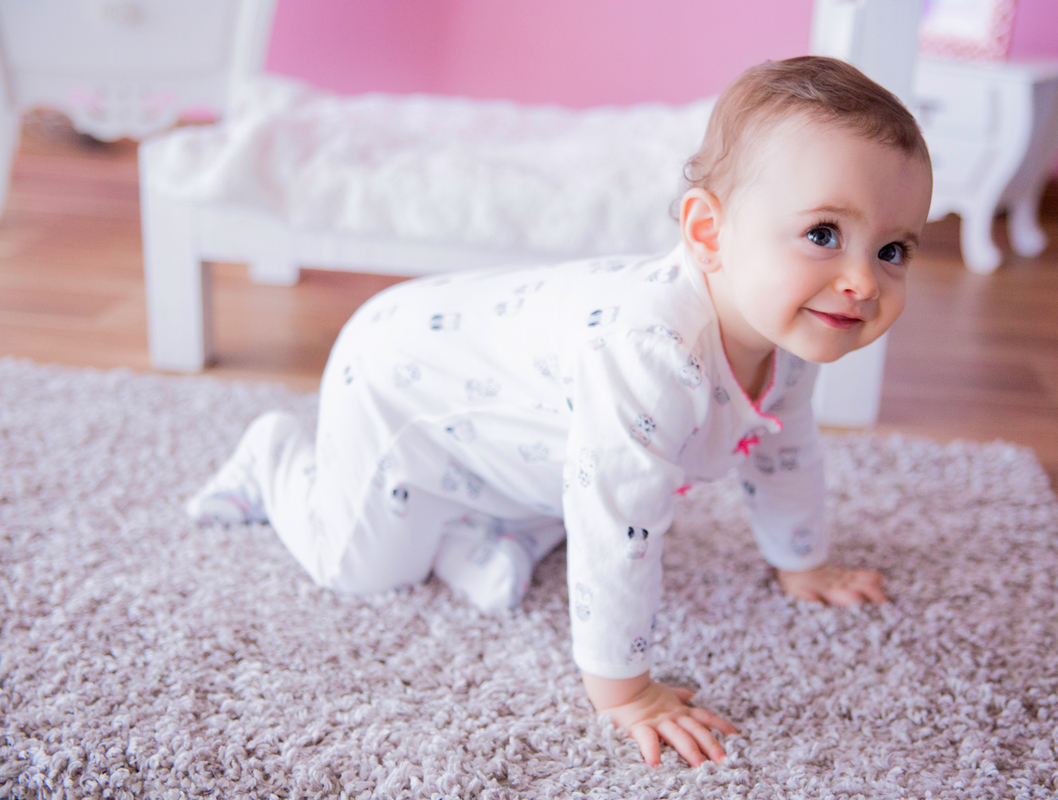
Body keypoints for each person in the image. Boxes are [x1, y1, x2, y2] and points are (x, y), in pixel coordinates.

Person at [187, 55, 933, 768]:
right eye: (824, 235)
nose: (862, 282)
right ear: (708, 234)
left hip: (521, 427)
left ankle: (481, 526)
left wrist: (802, 562)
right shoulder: (655, 353)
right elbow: (617, 522)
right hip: (398, 384)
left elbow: (782, 447)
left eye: (893, 249)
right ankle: (272, 456)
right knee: (360, 569)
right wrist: (627, 692)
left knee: (577, 467)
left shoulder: (793, 326)